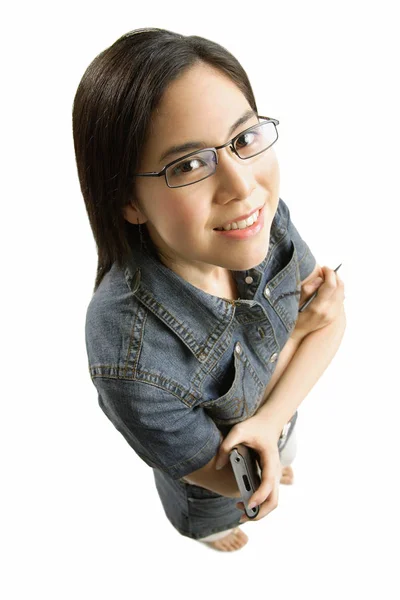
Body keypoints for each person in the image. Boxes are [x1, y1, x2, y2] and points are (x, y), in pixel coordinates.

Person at [72, 27, 346, 552]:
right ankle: (206, 534)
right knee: (219, 516)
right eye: (190, 164)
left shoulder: (258, 220)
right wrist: (296, 342)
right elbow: (230, 475)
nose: (243, 188)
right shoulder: (127, 355)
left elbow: (333, 321)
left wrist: (267, 423)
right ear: (127, 200)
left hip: (279, 423)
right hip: (206, 488)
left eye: (244, 139)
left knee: (281, 454)